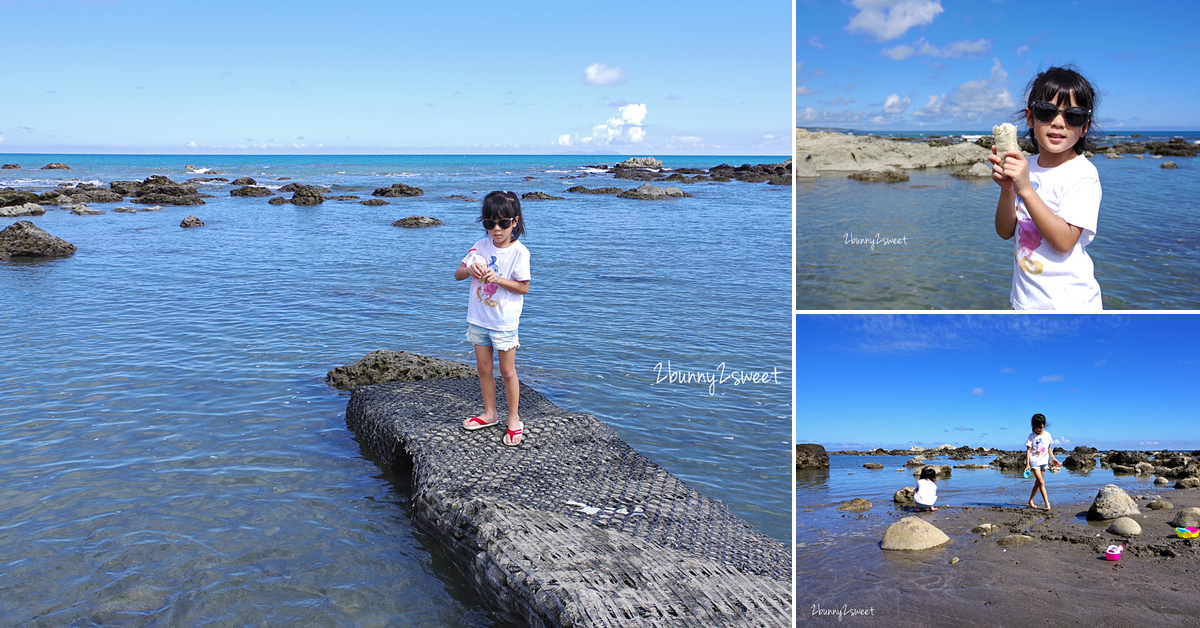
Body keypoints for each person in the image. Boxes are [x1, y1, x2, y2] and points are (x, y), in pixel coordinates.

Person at [990, 65, 1102, 311]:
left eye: (1073, 116)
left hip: (1069, 305)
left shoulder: (1083, 175)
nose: (1059, 123)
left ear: (1084, 126)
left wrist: (1026, 189)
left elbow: (1064, 242)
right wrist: (1008, 189)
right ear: (1030, 118)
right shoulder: (1025, 165)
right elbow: (1005, 231)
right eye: (1046, 112)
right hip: (1026, 301)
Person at [454, 191, 531, 446]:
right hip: (478, 318)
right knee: (484, 368)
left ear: (515, 222)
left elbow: (523, 287)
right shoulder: (480, 246)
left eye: (503, 223)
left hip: (504, 322)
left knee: (508, 372)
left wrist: (497, 279)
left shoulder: (520, 252)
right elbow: (458, 274)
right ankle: (490, 413)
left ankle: (514, 418)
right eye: (490, 224)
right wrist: (470, 268)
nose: (496, 230)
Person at [1025, 413, 1062, 510]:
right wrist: (1027, 464)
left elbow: (1049, 448)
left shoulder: (1048, 435)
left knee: (1037, 483)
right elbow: (1028, 450)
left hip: (1044, 462)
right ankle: (1047, 503)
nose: (1037, 429)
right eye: (1035, 427)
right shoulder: (1031, 436)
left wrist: (1053, 459)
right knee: (1041, 482)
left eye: (1040, 427)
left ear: (1044, 425)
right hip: (1034, 462)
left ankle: (1030, 500)